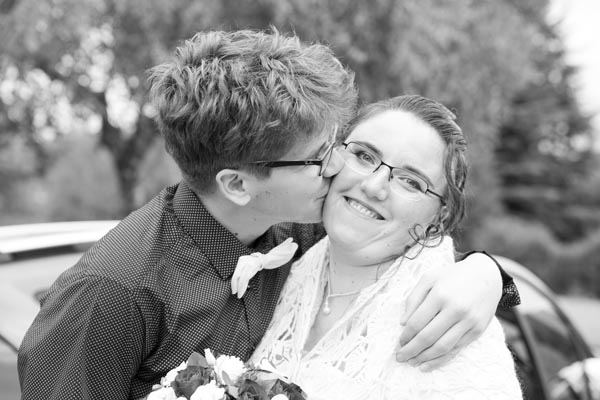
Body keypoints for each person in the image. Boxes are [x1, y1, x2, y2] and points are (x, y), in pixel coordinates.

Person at [18, 30, 519, 400]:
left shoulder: (295, 226)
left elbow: (400, 241)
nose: (340, 168)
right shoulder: (112, 293)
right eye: (320, 157)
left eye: (338, 144)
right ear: (238, 185)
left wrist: (488, 274)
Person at [249, 95, 523, 399]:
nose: (373, 186)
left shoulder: (450, 327)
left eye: (411, 181)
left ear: (439, 215)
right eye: (364, 156)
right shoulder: (280, 252)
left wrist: (487, 276)